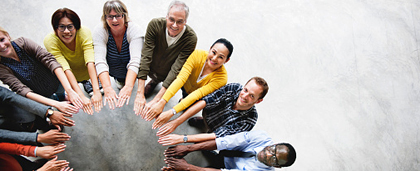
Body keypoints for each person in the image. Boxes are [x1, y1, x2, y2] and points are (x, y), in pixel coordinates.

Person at [142, 38, 233, 130]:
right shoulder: (197, 55)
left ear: (227, 60)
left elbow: (197, 94)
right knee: (174, 74)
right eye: (213, 52)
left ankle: (184, 101)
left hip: (198, 94)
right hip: (185, 84)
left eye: (221, 57)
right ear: (210, 49)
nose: (214, 58)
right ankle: (155, 81)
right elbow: (181, 79)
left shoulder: (222, 78)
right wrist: (162, 101)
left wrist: (172, 111)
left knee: (189, 102)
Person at [157, 77, 268, 144]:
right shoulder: (234, 88)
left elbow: (219, 136)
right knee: (200, 97)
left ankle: (205, 126)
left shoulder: (249, 120)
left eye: (252, 96)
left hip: (216, 131)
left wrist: (183, 138)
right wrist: (176, 121)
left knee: (211, 142)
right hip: (208, 112)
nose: (244, 96)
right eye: (245, 90)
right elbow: (206, 101)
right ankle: (203, 121)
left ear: (258, 101)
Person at [133, 0, 197, 116]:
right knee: (153, 75)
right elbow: (146, 55)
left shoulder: (190, 38)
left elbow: (177, 68)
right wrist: (139, 92)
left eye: (180, 22)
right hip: (153, 66)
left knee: (172, 74)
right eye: (171, 19)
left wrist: (157, 99)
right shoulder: (155, 25)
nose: (174, 25)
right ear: (166, 16)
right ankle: (154, 81)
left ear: (185, 22)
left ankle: (157, 82)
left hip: (169, 71)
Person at [0, 26, 83, 115]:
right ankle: (57, 104)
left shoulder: (23, 43)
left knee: (60, 91)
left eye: (2, 40)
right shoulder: (1, 68)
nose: (1, 46)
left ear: (7, 36)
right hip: (38, 94)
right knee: (51, 103)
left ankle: (62, 97)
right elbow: (21, 89)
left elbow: (49, 60)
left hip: (54, 80)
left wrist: (69, 90)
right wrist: (56, 104)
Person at [44, 8, 103, 115]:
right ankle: (85, 83)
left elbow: (90, 61)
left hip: (87, 69)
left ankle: (87, 83)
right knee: (75, 81)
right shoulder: (50, 41)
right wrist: (81, 96)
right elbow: (65, 68)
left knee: (88, 78)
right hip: (70, 74)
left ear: (76, 27)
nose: (66, 31)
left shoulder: (84, 32)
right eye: (61, 27)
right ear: (55, 28)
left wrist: (96, 90)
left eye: (70, 26)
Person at [93, 0, 143, 110]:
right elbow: (100, 60)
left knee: (129, 81)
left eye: (118, 16)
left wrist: (129, 86)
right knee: (120, 81)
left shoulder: (134, 30)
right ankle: (120, 80)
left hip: (130, 68)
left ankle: (127, 81)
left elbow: (135, 60)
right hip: (113, 69)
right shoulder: (100, 30)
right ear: (105, 18)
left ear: (124, 16)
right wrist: (106, 87)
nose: (114, 20)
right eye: (110, 16)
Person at [162, 130, 296, 170]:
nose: (267, 153)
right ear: (275, 143)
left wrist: (188, 167)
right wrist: (187, 148)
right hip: (226, 153)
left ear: (277, 166)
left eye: (273, 158)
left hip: (228, 167)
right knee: (205, 141)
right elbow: (225, 142)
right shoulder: (262, 137)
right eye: (273, 149)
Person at [0, 86, 73, 145]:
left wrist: (47, 112)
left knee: (39, 121)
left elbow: (9, 96)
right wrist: (36, 138)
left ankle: (44, 126)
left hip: (23, 112)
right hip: (9, 133)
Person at [0, 142, 69, 171]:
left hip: (10, 160)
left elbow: (2, 147)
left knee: (26, 165)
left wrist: (34, 150)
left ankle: (33, 166)